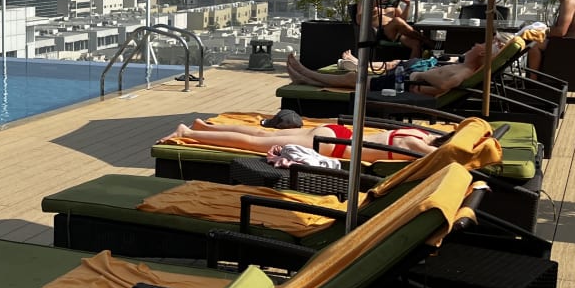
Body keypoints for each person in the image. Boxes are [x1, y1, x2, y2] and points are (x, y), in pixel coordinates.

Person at [285, 41, 490, 97]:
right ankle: (306, 77)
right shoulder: (464, 64)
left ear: (481, 54)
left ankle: (306, 74)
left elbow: (444, 86)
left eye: (478, 46)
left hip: (406, 81)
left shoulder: (464, 71)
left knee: (353, 78)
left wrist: (419, 78)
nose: (474, 45)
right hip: (408, 77)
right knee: (355, 77)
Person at [174, 119, 439, 159]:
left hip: (337, 132)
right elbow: (443, 156)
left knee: (264, 134)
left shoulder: (420, 133)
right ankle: (189, 133)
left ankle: (203, 127)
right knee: (255, 144)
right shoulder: (416, 145)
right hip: (333, 147)